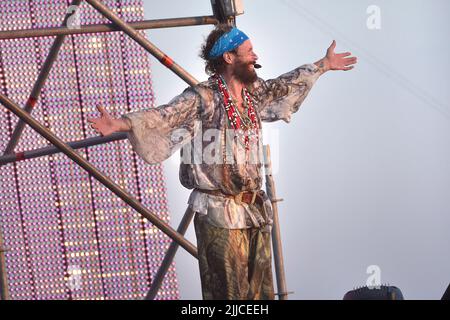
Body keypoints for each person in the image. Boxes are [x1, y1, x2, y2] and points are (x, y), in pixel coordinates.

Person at [87, 24, 357, 300]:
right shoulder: (204, 97)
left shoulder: (253, 93)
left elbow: (284, 86)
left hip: (253, 211)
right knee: (228, 295)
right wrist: (121, 123)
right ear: (229, 58)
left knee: (259, 297)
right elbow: (165, 116)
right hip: (219, 213)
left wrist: (323, 65)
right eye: (249, 51)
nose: (255, 56)